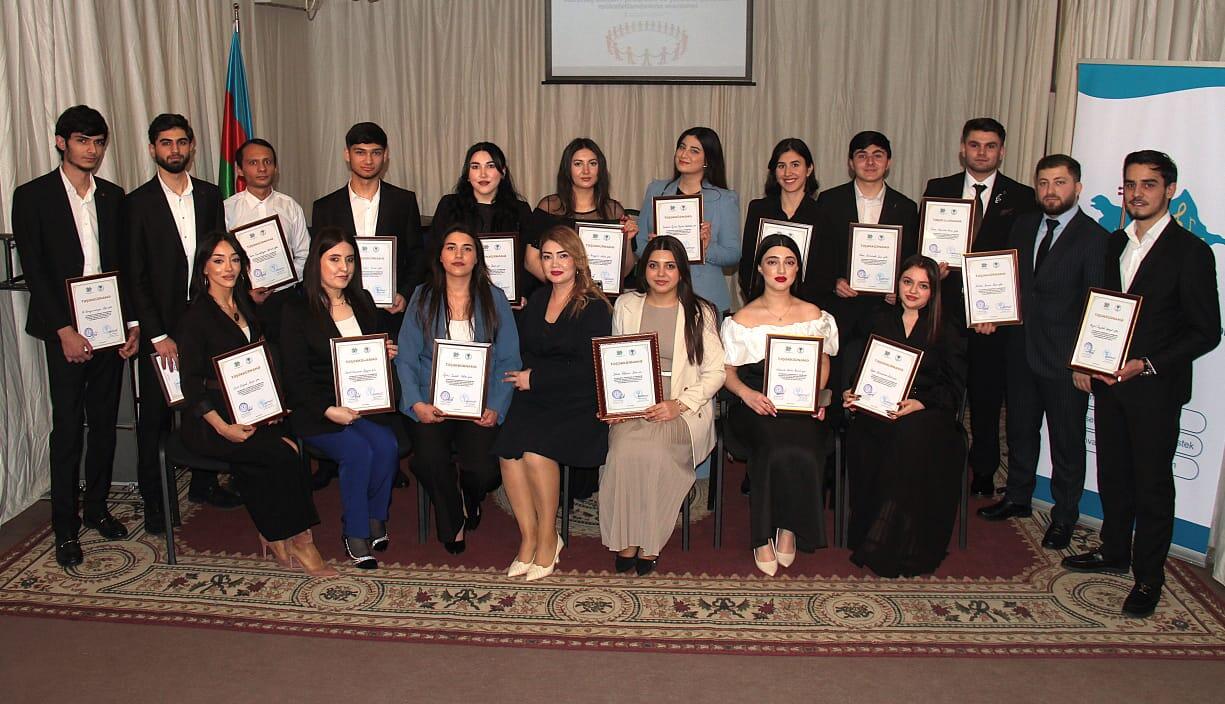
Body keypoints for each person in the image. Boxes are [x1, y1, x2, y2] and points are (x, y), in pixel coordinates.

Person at [1062, 151, 1220, 617]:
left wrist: (1147, 364)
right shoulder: (1114, 243)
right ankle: (1114, 550)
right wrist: (1084, 360)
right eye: (1130, 184)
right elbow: (1098, 309)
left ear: (1169, 190)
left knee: (1151, 485)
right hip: (1109, 384)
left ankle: (1148, 576)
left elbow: (1207, 331)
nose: (1137, 193)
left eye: (1148, 184)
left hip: (1154, 390)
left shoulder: (1191, 252)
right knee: (1113, 473)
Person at [11, 105, 140, 568]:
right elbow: (36, 271)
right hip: (64, 329)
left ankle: (97, 509)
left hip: (109, 326)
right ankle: (64, 527)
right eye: (83, 141)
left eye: (98, 142)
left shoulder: (113, 196)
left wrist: (131, 324)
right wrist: (63, 330)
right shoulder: (33, 196)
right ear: (61, 142)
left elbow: (124, 265)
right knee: (68, 427)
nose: (92, 150)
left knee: (104, 422)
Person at [175, 232, 336, 576]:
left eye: (235, 260)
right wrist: (223, 427)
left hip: (252, 408)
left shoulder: (245, 305)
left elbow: (262, 360)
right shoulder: (195, 316)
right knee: (282, 453)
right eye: (218, 260)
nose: (228, 268)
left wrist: (274, 404)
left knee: (291, 443)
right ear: (203, 268)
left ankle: (274, 532)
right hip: (211, 420)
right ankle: (300, 539)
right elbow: (189, 383)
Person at [976, 154, 1107, 550]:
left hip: (1065, 362)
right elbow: (1010, 282)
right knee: (1019, 431)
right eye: (1044, 183)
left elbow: (1097, 306)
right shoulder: (1024, 224)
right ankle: (1018, 497)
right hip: (1019, 351)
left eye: (1060, 183)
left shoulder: (1095, 238)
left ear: (1077, 187)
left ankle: (1064, 516)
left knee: (1066, 443)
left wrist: (1085, 363)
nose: (1050, 191)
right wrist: (992, 313)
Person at [125, 113, 238, 532]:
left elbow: (219, 258)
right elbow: (134, 274)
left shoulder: (209, 195)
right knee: (156, 416)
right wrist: (157, 335)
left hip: (205, 322)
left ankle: (204, 485)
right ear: (152, 149)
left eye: (182, 142)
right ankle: (155, 500)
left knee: (206, 401)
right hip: (162, 330)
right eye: (166, 143)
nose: (175, 150)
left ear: (191, 146)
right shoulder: (136, 203)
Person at [598, 236, 725, 575]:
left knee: (654, 454)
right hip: (633, 405)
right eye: (654, 265)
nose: (661, 273)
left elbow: (716, 372)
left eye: (670, 266)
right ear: (644, 270)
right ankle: (627, 537)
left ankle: (649, 541)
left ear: (682, 271)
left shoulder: (700, 311)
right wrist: (614, 404)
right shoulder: (627, 305)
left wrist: (678, 405)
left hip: (682, 408)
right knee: (623, 452)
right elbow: (614, 360)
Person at [924, 118, 1035, 499]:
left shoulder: (1022, 197)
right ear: (963, 149)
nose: (982, 152)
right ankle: (939, 464)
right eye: (974, 145)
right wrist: (932, 269)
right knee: (941, 393)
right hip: (946, 312)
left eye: (990, 146)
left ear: (1002, 151)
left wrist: (998, 313)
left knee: (987, 398)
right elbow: (925, 248)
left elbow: (1024, 262)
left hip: (993, 319)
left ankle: (984, 470)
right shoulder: (938, 189)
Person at [280, 227, 404, 569]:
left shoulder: (363, 300)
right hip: (317, 409)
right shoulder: (297, 309)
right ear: (316, 263)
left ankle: (377, 516)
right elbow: (295, 377)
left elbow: (369, 353)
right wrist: (327, 409)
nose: (343, 268)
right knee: (359, 451)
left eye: (349, 260)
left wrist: (383, 353)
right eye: (334, 259)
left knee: (388, 445)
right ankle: (355, 530)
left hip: (361, 404)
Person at [494, 226, 613, 581]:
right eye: (547, 257)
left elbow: (590, 367)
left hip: (579, 402)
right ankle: (528, 536)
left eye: (563, 255)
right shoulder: (537, 299)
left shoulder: (594, 306)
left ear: (577, 260)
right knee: (508, 451)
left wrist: (537, 378)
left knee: (535, 453)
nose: (554, 263)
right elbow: (526, 350)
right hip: (537, 396)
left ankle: (548, 537)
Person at [396, 225, 521, 555]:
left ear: (477, 258)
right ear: (440, 255)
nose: (459, 255)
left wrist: (496, 406)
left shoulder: (494, 298)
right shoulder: (423, 296)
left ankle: (470, 494)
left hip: (480, 404)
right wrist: (416, 403)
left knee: (485, 471)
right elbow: (406, 357)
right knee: (429, 459)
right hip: (430, 401)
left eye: (467, 248)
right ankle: (453, 522)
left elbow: (509, 358)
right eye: (451, 247)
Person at [312, 121, 422, 489]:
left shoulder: (403, 201)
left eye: (375, 152)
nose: (368, 160)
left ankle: (389, 457)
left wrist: (404, 292)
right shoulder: (325, 206)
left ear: (385, 156)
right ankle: (330, 458)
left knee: (387, 378)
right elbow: (319, 260)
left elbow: (416, 254)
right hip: (340, 308)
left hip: (388, 311)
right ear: (347, 155)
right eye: (360, 152)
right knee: (336, 373)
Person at [843, 255, 967, 577]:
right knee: (867, 433)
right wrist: (851, 392)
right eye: (908, 282)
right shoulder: (878, 318)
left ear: (933, 292)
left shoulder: (946, 327)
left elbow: (955, 388)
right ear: (897, 284)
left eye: (923, 286)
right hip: (880, 407)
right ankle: (874, 528)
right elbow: (858, 367)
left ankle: (891, 539)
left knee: (909, 434)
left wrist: (921, 403)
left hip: (929, 411)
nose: (913, 291)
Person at [721, 234, 838, 576]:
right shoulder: (742, 319)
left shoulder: (814, 314)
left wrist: (814, 396)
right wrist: (747, 395)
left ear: (798, 269)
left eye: (789, 262)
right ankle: (761, 537)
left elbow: (824, 363)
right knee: (773, 447)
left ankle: (788, 527)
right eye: (772, 261)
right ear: (760, 268)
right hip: (756, 403)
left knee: (804, 446)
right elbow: (726, 373)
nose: (781, 269)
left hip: (800, 404)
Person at [819, 131, 920, 397]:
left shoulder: (906, 207)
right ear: (851, 162)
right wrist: (834, 281)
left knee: (879, 375)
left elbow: (910, 258)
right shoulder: (829, 201)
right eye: (862, 156)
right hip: (840, 305)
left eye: (878, 155)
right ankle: (834, 420)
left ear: (889, 162)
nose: (870, 162)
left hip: (885, 308)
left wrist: (899, 288)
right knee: (836, 373)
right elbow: (819, 253)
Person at [636, 127, 741, 313]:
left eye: (694, 151)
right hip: (659, 294)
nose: (684, 154)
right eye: (682, 147)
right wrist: (655, 248)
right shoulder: (656, 190)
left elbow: (733, 254)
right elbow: (639, 243)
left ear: (708, 160)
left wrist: (706, 247)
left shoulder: (724, 199)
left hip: (706, 298)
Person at [222, 138, 310, 345]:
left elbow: (304, 254)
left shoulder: (290, 207)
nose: (262, 168)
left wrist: (282, 281)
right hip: (242, 301)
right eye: (253, 163)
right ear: (240, 169)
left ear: (276, 167)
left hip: (286, 301)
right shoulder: (227, 209)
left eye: (268, 162)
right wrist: (245, 291)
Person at [430, 142, 533, 305]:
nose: (483, 174)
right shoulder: (449, 206)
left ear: (503, 172)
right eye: (475, 167)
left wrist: (521, 293)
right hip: (455, 299)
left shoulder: (521, 210)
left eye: (490, 166)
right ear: (468, 174)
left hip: (505, 302)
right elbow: (434, 254)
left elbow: (529, 261)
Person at [531, 137, 638, 289]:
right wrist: (566, 289)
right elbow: (531, 261)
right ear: (567, 169)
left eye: (592, 163)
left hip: (600, 295)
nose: (586, 171)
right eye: (578, 164)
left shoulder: (614, 211)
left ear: (600, 168)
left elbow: (624, 270)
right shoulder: (548, 207)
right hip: (557, 294)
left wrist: (627, 240)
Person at [737, 137, 826, 305]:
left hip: (807, 307)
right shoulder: (758, 209)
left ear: (809, 169)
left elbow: (825, 271)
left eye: (795, 165)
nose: (787, 173)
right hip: (763, 306)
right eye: (781, 166)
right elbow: (748, 264)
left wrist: (799, 306)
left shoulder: (822, 215)